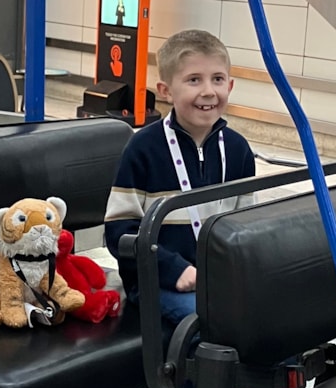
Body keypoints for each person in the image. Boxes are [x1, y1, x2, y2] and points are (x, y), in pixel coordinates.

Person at [104, 29, 256, 328]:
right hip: (157, 283)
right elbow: (119, 233)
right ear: (165, 90)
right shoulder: (143, 148)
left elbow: (247, 226)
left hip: (220, 283)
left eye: (218, 79)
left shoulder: (238, 150)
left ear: (231, 84)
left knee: (283, 316)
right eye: (193, 80)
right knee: (217, 325)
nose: (209, 91)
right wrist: (174, 270)